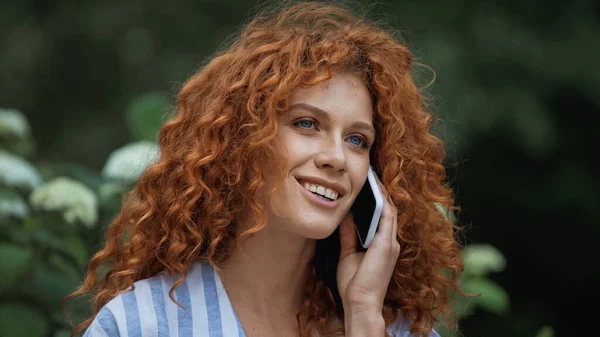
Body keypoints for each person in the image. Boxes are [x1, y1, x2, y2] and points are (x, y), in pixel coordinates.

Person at [65, 2, 465, 336]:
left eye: (357, 140)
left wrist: (362, 316)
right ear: (243, 139)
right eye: (307, 124)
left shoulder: (395, 329)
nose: (337, 157)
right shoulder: (142, 324)